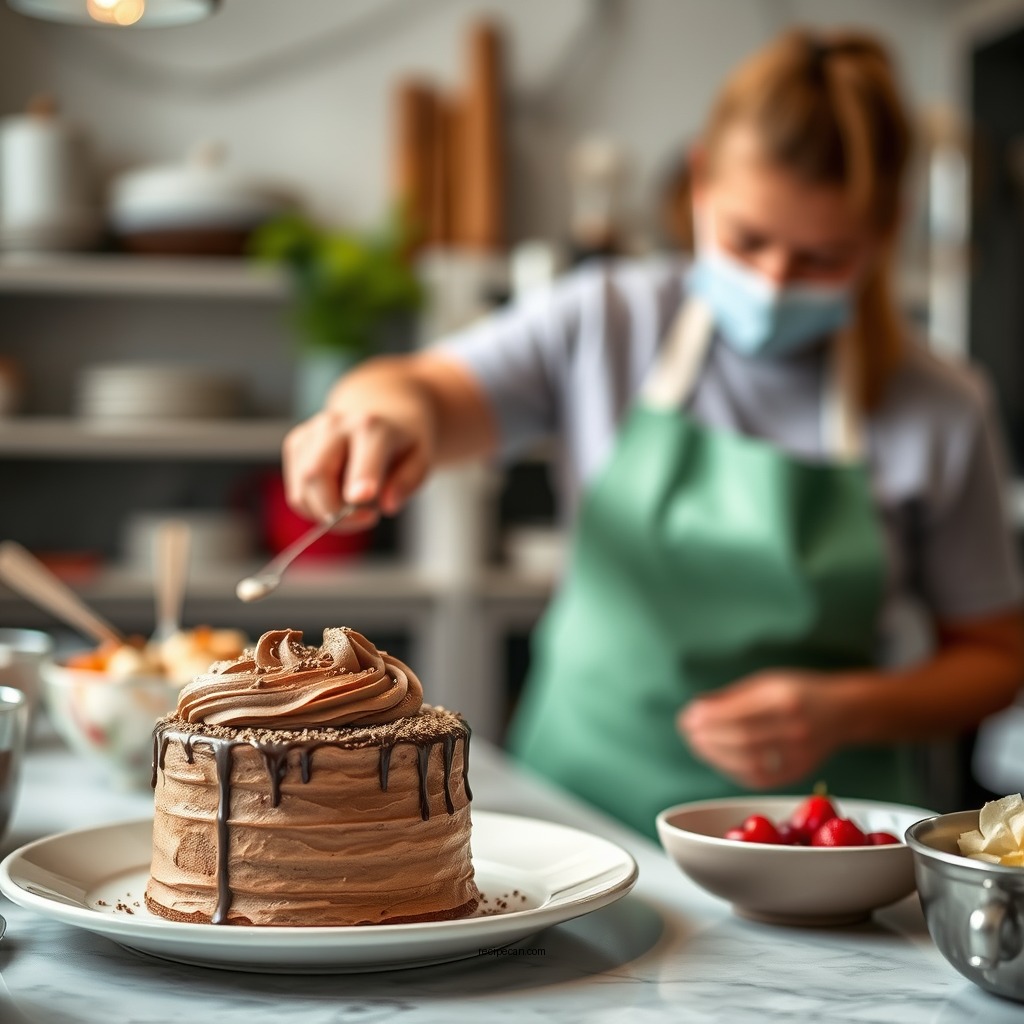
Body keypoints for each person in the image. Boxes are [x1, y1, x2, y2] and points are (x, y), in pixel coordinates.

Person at [281, 29, 1024, 838]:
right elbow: (421, 387)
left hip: (815, 839)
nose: (773, 283)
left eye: (819, 258)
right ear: (702, 182)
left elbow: (993, 657)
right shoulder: (607, 319)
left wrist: (848, 709)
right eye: (748, 241)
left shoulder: (942, 404)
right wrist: (373, 415)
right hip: (581, 808)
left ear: (883, 235)